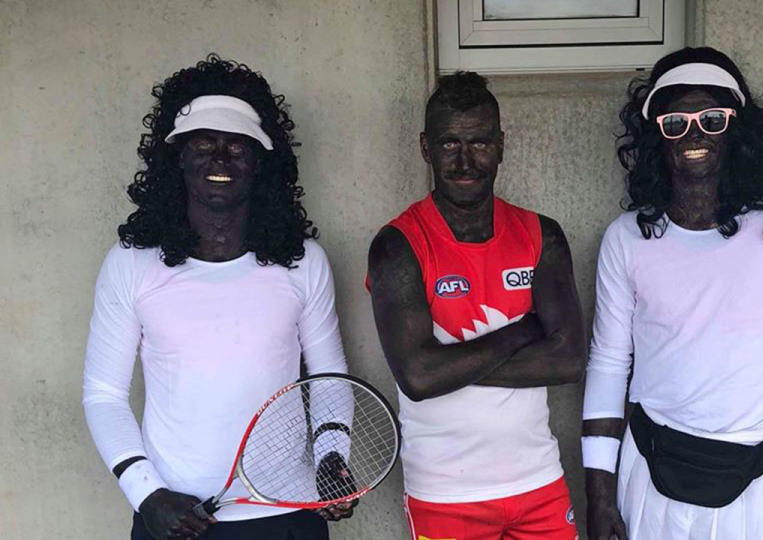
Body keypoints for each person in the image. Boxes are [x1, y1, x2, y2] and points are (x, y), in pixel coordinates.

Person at [582, 47, 763, 540]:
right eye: (677, 121)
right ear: (657, 137)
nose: (695, 133)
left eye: (713, 118)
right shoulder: (628, 239)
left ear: (736, 128)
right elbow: (608, 366)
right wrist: (598, 496)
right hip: (650, 476)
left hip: (755, 486)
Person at [82, 55, 355, 540]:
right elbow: (103, 395)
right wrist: (147, 493)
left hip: (288, 513)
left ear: (259, 162)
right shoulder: (130, 264)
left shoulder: (303, 261)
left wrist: (332, 457)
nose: (220, 160)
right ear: (178, 158)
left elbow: (330, 378)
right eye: (204, 144)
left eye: (237, 147)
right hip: (173, 518)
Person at [367, 71, 585, 539]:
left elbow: (568, 360)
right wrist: (523, 332)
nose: (465, 161)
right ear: (426, 147)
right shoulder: (398, 245)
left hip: (540, 484)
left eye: (480, 143)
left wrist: (448, 363)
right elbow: (419, 379)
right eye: (449, 145)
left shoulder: (540, 234)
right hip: (445, 495)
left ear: (502, 145)